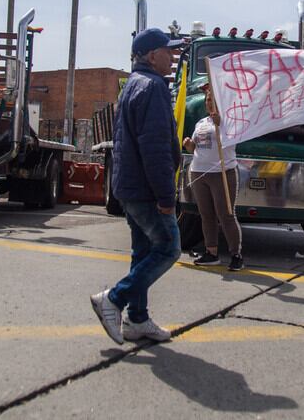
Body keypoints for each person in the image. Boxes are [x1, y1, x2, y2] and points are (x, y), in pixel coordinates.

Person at [90, 28, 184, 343]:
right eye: (167, 51)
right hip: (145, 190)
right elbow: (154, 148)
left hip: (128, 187)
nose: (172, 57)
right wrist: (166, 197)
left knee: (142, 250)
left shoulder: (131, 85)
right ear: (150, 55)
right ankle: (114, 299)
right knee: (169, 249)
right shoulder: (154, 87)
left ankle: (138, 320)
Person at [183, 82, 243, 271]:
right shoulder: (201, 123)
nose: (210, 104)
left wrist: (220, 123)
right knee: (206, 215)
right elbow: (196, 148)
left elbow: (233, 140)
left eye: (214, 101)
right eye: (208, 100)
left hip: (222, 173)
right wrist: (189, 145)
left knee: (226, 214)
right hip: (199, 172)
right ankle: (211, 253)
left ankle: (236, 254)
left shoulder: (230, 121)